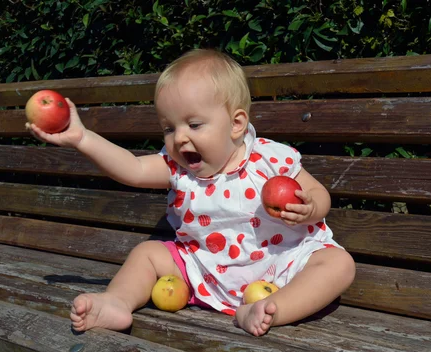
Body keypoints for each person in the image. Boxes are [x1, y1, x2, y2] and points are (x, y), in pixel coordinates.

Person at [26, 49, 356, 336]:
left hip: (280, 264)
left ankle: (270, 309)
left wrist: (311, 207)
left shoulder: (269, 160)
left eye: (194, 125)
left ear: (236, 124)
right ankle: (116, 302)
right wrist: (83, 139)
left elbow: (317, 193)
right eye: (170, 128)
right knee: (148, 255)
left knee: (339, 264)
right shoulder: (177, 169)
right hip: (203, 267)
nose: (180, 138)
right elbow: (132, 168)